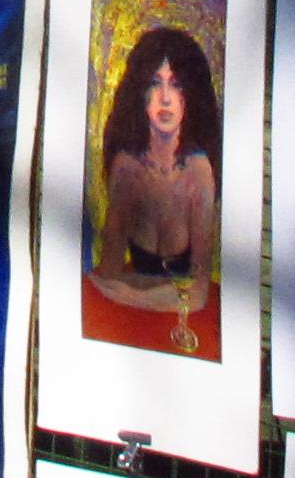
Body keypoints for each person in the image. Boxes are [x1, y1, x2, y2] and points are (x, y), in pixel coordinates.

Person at [88, 26, 221, 314]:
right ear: (140, 92)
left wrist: (134, 295)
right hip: (133, 318)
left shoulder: (198, 173)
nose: (165, 98)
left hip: (185, 323)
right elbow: (109, 272)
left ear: (191, 94)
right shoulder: (127, 167)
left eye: (176, 85)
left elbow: (198, 294)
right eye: (154, 83)